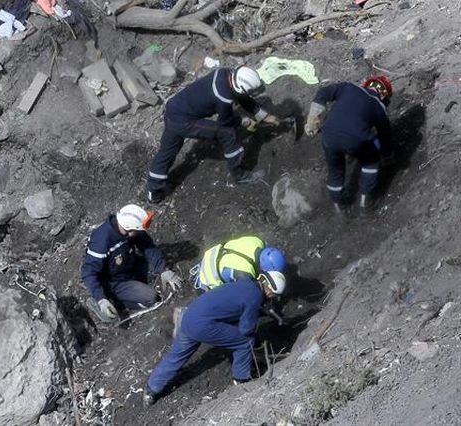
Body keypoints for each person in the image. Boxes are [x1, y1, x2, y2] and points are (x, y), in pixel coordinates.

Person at [144, 272, 286, 406]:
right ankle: (242, 379)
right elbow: (246, 330)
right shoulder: (254, 297)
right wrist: (256, 316)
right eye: (274, 295)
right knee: (245, 341)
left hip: (189, 316)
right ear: (270, 291)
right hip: (203, 325)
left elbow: (232, 305)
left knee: (177, 355)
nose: (273, 298)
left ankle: (151, 389)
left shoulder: (246, 282)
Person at [146, 66, 279, 203]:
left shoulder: (225, 73)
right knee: (228, 134)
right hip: (183, 121)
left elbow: (241, 95)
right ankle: (240, 176)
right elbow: (226, 122)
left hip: (174, 109)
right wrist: (243, 121)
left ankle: (153, 192)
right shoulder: (223, 98)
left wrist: (261, 114)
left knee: (166, 152)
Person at [305, 75, 393, 211]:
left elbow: (323, 92)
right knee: (371, 161)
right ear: (384, 95)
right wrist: (387, 156)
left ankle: (338, 205)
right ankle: (365, 202)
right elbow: (385, 135)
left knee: (335, 170)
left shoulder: (348, 87)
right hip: (356, 139)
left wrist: (312, 117)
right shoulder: (379, 106)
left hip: (329, 135)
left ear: (367, 84)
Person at [81, 204, 181, 322]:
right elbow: (88, 273)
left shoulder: (129, 228)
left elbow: (147, 245)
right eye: (138, 231)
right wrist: (101, 298)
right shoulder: (101, 242)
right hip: (113, 282)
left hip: (129, 265)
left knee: (156, 269)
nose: (140, 233)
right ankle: (108, 301)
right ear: (129, 229)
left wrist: (163, 270)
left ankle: (134, 284)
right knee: (151, 298)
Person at [191, 234, 286, 291]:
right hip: (206, 281)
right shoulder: (244, 272)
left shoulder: (258, 242)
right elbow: (243, 296)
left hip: (211, 256)